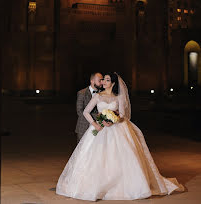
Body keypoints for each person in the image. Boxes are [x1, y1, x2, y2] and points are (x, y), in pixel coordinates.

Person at [56, 72, 184, 201]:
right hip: (100, 129)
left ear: (113, 83)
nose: (103, 82)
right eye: (103, 80)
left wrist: (113, 119)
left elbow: (123, 115)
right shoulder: (98, 97)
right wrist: (96, 124)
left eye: (106, 80)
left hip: (117, 129)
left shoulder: (119, 98)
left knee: (122, 156)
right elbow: (85, 112)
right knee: (97, 157)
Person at [75, 72, 103, 142]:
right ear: (92, 81)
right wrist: (93, 121)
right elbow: (79, 111)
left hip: (100, 126)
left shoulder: (103, 94)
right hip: (84, 126)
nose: (101, 83)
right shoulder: (82, 93)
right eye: (99, 80)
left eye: (102, 80)